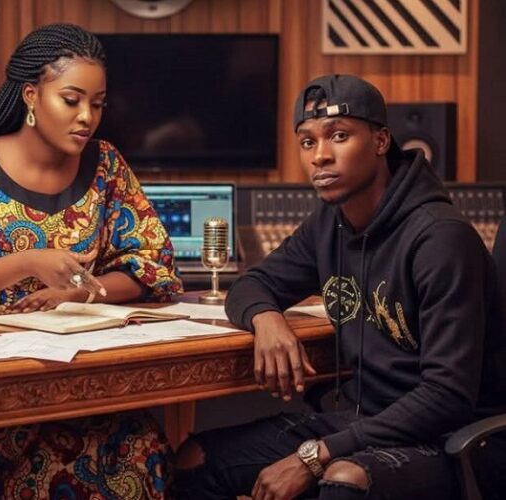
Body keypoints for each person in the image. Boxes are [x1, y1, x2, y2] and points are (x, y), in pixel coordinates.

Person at [170, 74, 506, 500]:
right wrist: (267, 319)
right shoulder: (330, 223)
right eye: (307, 142)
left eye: (339, 136)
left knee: (343, 480)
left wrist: (314, 457)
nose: (320, 156)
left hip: (451, 438)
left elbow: (446, 397)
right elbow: (251, 284)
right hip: (363, 420)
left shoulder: (441, 238)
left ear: (381, 141)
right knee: (194, 461)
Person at [0, 23, 183, 499]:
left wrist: (80, 293)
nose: (87, 117)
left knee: (141, 444)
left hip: (83, 382)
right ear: (31, 95)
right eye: (71, 100)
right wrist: (28, 262)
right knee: (81, 466)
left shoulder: (106, 165)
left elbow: (154, 266)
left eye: (98, 103)